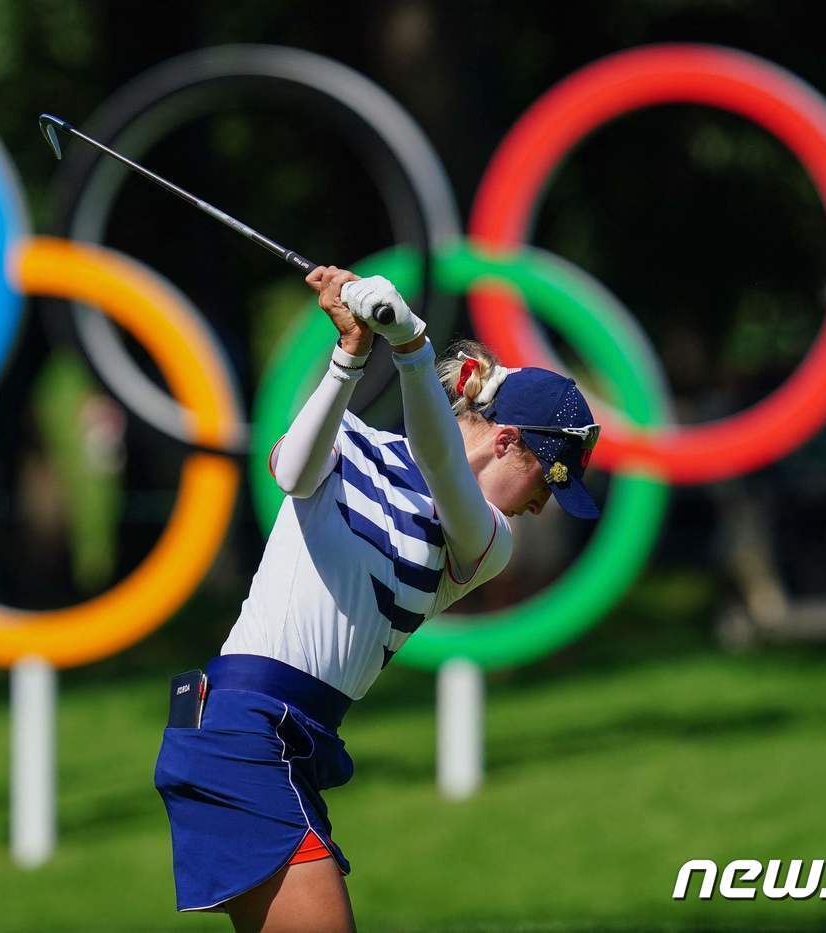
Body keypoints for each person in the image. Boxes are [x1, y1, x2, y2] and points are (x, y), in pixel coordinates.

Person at [154, 267, 603, 932]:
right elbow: (291, 471)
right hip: (241, 726)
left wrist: (411, 349)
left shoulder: (487, 538)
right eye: (545, 482)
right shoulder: (355, 439)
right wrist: (354, 354)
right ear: (508, 440)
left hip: (280, 737)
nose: (540, 507)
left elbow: (444, 465)